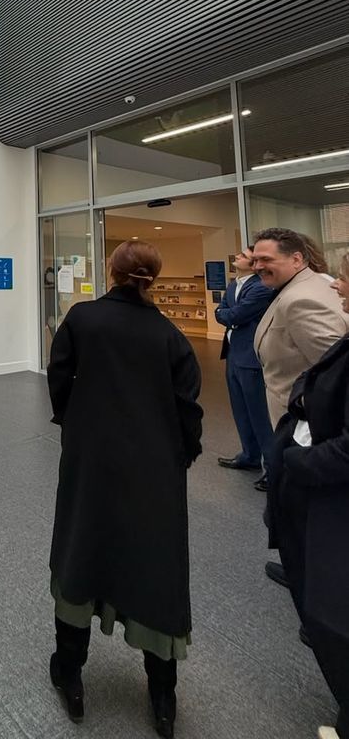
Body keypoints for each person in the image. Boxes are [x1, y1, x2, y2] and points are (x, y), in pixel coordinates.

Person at [47, 241, 202, 739]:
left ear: (110, 272)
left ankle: (69, 671)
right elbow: (188, 406)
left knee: (80, 544)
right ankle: (161, 694)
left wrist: (74, 422)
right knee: (156, 561)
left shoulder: (83, 318)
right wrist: (182, 452)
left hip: (91, 457)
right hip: (153, 465)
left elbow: (60, 376)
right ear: (152, 278)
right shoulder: (168, 336)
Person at [266, 253, 349, 739]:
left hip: (323, 480)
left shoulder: (302, 299)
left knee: (329, 594)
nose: (337, 287)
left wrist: (298, 462)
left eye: (344, 279)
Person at [252, 227, 349, 587]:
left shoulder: (301, 299)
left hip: (308, 431)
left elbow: (333, 365)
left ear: (296, 259)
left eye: (267, 259)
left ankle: (317, 595)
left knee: (305, 514)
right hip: (298, 425)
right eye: (256, 258)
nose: (259, 265)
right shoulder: (292, 289)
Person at [215, 246, 275, 490]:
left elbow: (234, 315)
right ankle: (249, 455)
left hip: (250, 357)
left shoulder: (260, 287)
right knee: (240, 409)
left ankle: (271, 468)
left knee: (259, 413)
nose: (236, 257)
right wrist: (226, 313)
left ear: (253, 264)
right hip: (233, 354)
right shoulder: (234, 284)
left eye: (242, 256)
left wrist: (225, 314)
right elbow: (223, 311)